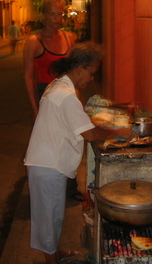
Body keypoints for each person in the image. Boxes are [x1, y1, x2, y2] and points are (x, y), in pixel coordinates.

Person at [24, 42, 133, 264]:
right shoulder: (64, 94)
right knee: (48, 219)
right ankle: (51, 260)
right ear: (80, 68)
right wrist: (117, 132)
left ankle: (54, 253)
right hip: (47, 164)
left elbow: (78, 121)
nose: (92, 78)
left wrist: (102, 125)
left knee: (53, 217)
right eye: (92, 72)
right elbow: (90, 135)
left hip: (48, 162)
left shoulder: (60, 86)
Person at [23, 0, 82, 201]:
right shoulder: (34, 41)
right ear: (43, 15)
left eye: (60, 14)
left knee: (70, 139)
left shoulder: (69, 38)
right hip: (44, 96)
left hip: (66, 96)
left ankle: (70, 188)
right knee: (46, 143)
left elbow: (75, 70)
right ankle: (41, 188)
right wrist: (34, 108)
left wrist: (77, 97)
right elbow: (29, 76)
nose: (57, 19)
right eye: (53, 14)